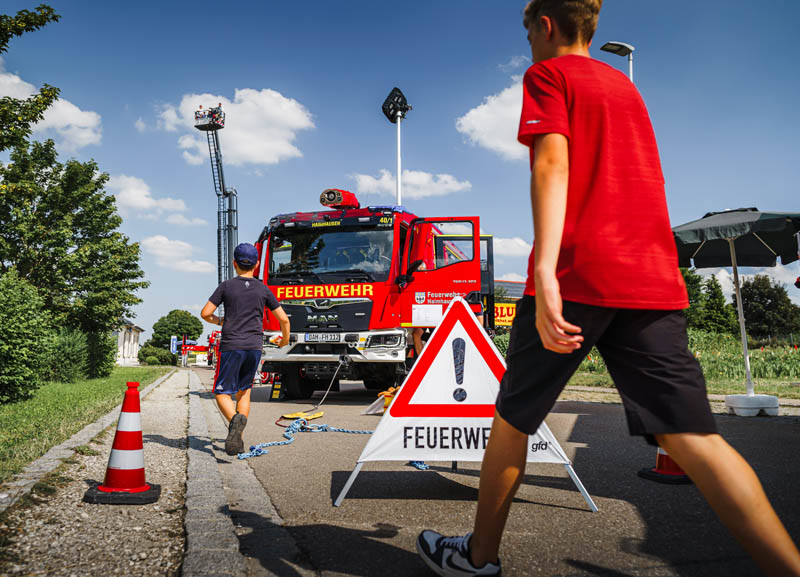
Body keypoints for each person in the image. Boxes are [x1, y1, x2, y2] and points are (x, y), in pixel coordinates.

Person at [416, 2, 800, 576]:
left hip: (579, 271)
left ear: (546, 25)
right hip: (652, 277)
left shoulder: (547, 75)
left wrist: (544, 272)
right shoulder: (627, 89)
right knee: (695, 437)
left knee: (513, 419)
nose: (527, 42)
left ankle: (479, 557)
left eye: (527, 30)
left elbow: (551, 165)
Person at [201, 243, 290, 456]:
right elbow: (284, 319)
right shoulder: (263, 289)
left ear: (234, 263)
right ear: (256, 264)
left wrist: (220, 321)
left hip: (232, 345)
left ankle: (234, 421)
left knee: (222, 393)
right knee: (244, 392)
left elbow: (205, 313)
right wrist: (284, 341)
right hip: (254, 347)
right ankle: (238, 439)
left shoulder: (226, 286)